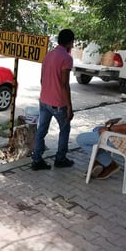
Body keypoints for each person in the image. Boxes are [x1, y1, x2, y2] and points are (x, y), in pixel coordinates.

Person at [31, 29, 75, 170]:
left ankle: (36, 160)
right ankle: (60, 159)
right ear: (70, 42)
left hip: (44, 100)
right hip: (58, 103)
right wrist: (69, 106)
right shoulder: (66, 58)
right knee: (64, 129)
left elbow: (42, 79)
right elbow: (64, 84)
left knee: (41, 131)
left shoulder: (48, 55)